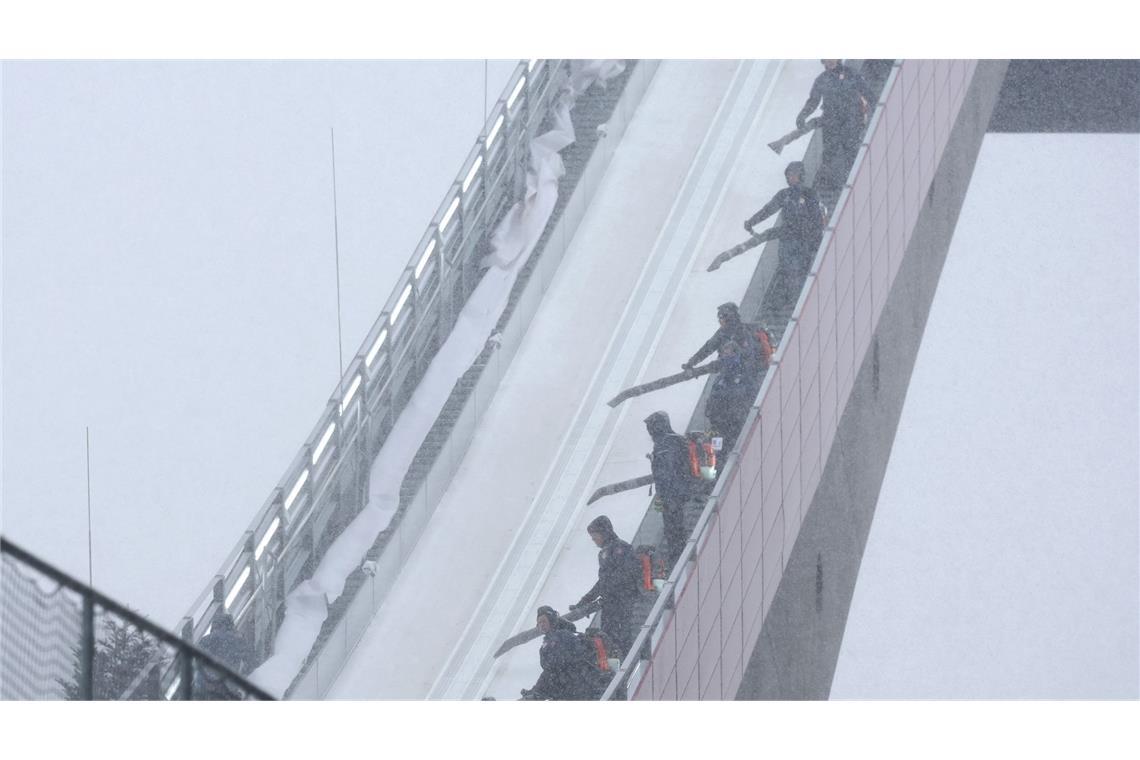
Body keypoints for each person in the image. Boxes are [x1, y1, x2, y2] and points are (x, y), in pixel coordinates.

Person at [745, 162, 826, 326]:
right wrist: (752, 221)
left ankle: (800, 304)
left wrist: (815, 240)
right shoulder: (784, 195)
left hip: (804, 240)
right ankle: (790, 302)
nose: (791, 178)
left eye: (794, 175)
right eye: (788, 175)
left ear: (801, 176)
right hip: (787, 238)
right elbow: (768, 209)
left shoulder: (810, 194)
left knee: (800, 271)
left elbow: (817, 220)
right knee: (787, 269)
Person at [569, 516, 641, 661]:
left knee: (620, 636)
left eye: (595, 536)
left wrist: (604, 592)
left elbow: (620, 576)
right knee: (609, 636)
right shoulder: (605, 552)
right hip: (612, 602)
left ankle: (624, 664)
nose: (594, 540)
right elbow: (603, 582)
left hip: (622, 601)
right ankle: (617, 664)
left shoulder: (619, 548)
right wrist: (585, 601)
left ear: (604, 533)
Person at [795, 59, 872, 192]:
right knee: (829, 153)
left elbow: (867, 92)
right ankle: (832, 185)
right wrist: (802, 115)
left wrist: (874, 108)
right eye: (826, 59)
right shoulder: (821, 79)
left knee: (851, 149)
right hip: (831, 120)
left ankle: (855, 179)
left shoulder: (851, 73)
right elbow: (813, 101)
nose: (829, 61)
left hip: (851, 119)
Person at [519, 606, 605, 700]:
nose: (541, 625)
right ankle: (537, 692)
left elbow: (564, 662)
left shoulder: (563, 635)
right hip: (567, 685)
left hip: (576, 684)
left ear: (551, 620)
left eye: (543, 621)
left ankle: (537, 693)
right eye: (539, 622)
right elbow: (549, 670)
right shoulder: (547, 643)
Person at [644, 411, 695, 572]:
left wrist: (668, 494)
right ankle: (677, 555)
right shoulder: (671, 442)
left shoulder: (667, 444)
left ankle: (678, 558)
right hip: (673, 493)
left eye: (650, 428)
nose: (649, 432)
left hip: (673, 494)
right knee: (674, 528)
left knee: (674, 528)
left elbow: (668, 471)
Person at [682, 302, 764, 381]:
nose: (720, 321)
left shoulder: (741, 332)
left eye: (721, 318)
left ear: (729, 317)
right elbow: (707, 348)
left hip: (743, 376)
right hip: (736, 375)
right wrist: (691, 363)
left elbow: (742, 355)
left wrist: (696, 365)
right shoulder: (723, 333)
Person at [703, 340, 756, 456]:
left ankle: (724, 461)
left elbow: (745, 392)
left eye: (727, 354)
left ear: (735, 354)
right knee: (717, 447)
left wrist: (725, 398)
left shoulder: (741, 372)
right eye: (724, 354)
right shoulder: (721, 376)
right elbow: (714, 392)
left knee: (730, 446)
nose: (724, 357)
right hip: (718, 420)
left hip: (732, 419)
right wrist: (709, 407)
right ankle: (719, 463)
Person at [193, 611, 253, 700]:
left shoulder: (204, 641)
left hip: (206, 686)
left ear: (214, 625)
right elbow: (250, 662)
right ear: (231, 625)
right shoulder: (238, 641)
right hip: (228, 687)